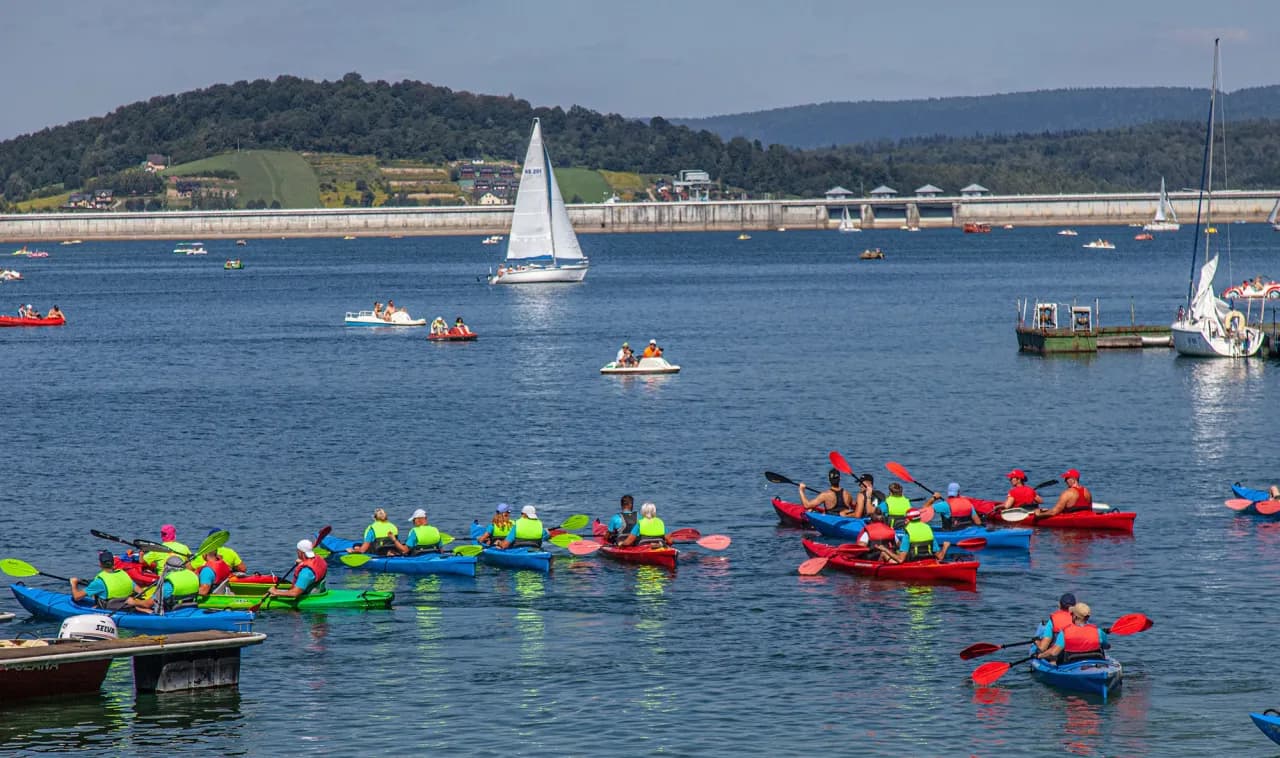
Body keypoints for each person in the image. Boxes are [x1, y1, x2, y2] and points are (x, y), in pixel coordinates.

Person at [1037, 602, 1109, 664]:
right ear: (1087, 617)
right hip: (1095, 664)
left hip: (1071, 665)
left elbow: (1054, 652)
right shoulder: (1098, 631)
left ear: (1074, 616)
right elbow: (1107, 646)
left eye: (1071, 614)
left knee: (1053, 660)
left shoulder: (1065, 632)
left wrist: (1039, 655)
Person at [70, 550, 142, 610]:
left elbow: (77, 597)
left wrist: (74, 584)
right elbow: (140, 591)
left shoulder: (99, 582)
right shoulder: (124, 574)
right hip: (127, 606)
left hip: (110, 609)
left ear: (100, 564)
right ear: (113, 563)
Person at [880, 509, 950, 564]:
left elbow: (900, 560)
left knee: (884, 553)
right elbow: (940, 557)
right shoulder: (928, 529)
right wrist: (945, 547)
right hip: (928, 561)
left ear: (907, 520)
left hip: (912, 563)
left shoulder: (908, 532)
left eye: (905, 519)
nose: (904, 521)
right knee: (898, 551)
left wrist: (885, 549)